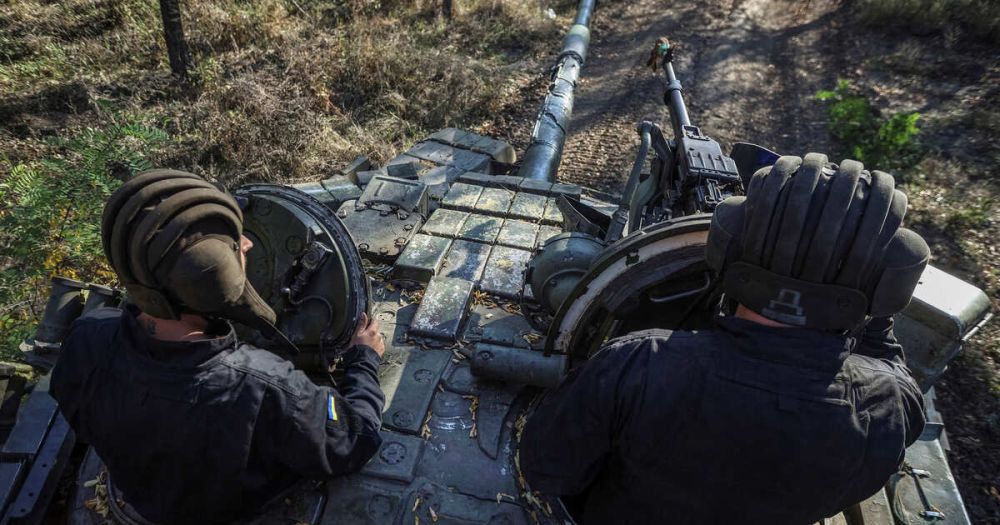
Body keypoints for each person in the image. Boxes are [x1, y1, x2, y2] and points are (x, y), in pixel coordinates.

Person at [520, 154, 930, 524]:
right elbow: (890, 367)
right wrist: (868, 302)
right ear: (888, 289)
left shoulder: (635, 365)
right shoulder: (890, 408)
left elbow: (547, 470)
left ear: (725, 249)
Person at [50, 169, 386, 524]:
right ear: (213, 278)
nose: (248, 244)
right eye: (233, 243)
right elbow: (355, 439)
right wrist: (364, 358)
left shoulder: (87, 339)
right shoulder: (264, 387)